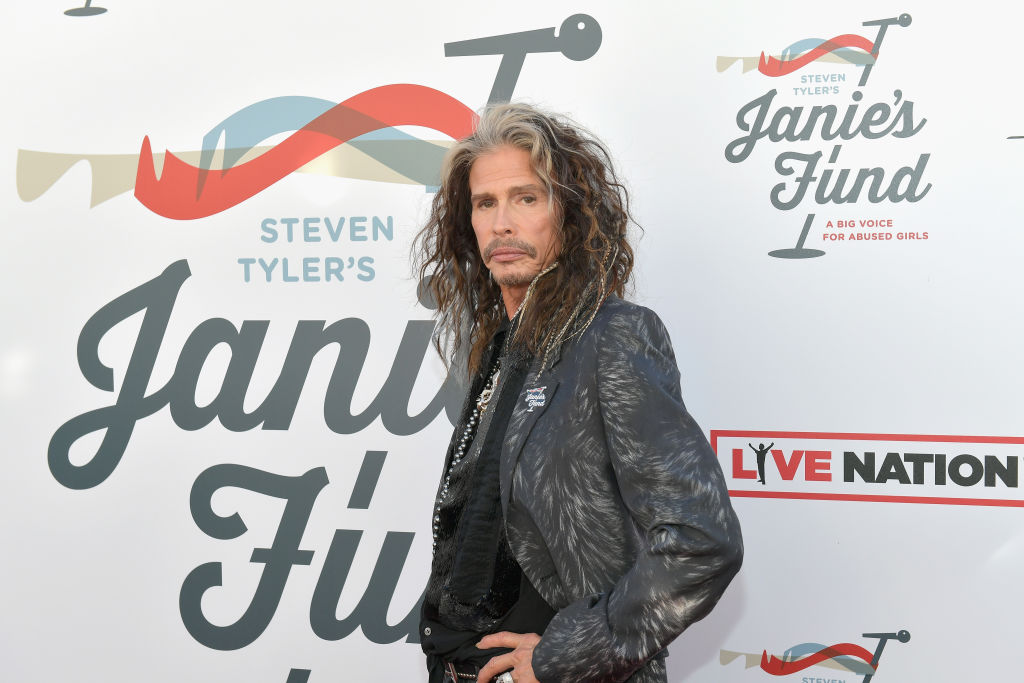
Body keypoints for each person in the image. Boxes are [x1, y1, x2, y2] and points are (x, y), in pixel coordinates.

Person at [414, 103, 743, 683]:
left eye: (526, 198)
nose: (502, 223)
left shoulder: (612, 336)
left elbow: (700, 539)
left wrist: (566, 655)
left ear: (568, 214)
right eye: (485, 203)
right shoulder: (500, 346)